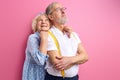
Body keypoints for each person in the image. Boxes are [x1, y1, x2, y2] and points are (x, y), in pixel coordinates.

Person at [45, 2, 88, 80]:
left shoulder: (73, 34)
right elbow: (58, 64)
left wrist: (69, 60)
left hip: (75, 78)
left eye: (63, 9)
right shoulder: (48, 35)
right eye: (58, 9)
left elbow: (85, 56)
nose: (63, 11)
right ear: (51, 16)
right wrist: (78, 58)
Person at [22, 12, 72, 80]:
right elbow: (40, 61)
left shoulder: (51, 36)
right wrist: (44, 38)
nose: (43, 22)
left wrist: (63, 29)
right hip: (33, 75)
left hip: (47, 75)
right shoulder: (33, 38)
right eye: (40, 20)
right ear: (36, 24)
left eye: (46, 20)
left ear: (50, 24)